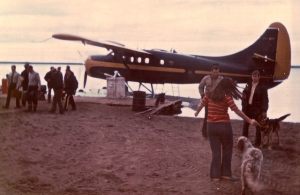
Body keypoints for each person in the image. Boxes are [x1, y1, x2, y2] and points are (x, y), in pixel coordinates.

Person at [195, 77, 259, 181]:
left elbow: (202, 104)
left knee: (215, 152)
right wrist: (250, 121)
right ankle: (226, 174)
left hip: (211, 126)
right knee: (227, 149)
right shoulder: (227, 97)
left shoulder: (209, 94)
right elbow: (237, 111)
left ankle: (215, 176)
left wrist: (197, 112)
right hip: (224, 126)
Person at [242, 70, 269, 147]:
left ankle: (257, 144)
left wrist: (264, 110)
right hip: (248, 108)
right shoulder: (248, 85)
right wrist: (243, 107)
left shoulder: (263, 87)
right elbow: (244, 97)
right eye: (253, 76)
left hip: (257, 109)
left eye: (256, 76)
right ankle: (244, 142)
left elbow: (265, 100)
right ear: (251, 77)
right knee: (245, 125)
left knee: (258, 127)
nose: (254, 78)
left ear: (259, 77)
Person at [198, 64, 223, 138]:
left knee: (217, 118)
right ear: (211, 71)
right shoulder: (206, 78)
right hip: (208, 101)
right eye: (214, 72)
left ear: (219, 72)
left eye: (217, 72)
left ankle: (215, 134)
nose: (216, 74)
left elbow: (225, 89)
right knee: (207, 116)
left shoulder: (221, 79)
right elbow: (200, 87)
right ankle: (205, 133)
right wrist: (202, 95)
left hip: (217, 101)